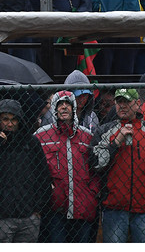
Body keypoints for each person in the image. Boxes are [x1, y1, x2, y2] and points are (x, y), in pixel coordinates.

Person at [90, 88, 145, 243]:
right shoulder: (105, 130)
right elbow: (97, 164)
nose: (122, 106)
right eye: (119, 102)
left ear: (138, 104)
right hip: (114, 207)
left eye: (127, 101)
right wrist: (116, 142)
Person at [0, 99, 52, 243]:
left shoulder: (31, 142)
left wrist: (38, 209)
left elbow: (43, 176)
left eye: (13, 119)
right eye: (5, 119)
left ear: (20, 120)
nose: (9, 124)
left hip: (28, 215)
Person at [34, 91, 99, 242]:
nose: (64, 107)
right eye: (60, 104)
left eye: (67, 104)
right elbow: (33, 168)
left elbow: (96, 169)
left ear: (74, 108)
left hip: (83, 204)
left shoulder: (87, 136)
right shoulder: (41, 135)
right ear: (54, 109)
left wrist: (92, 193)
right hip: (55, 207)